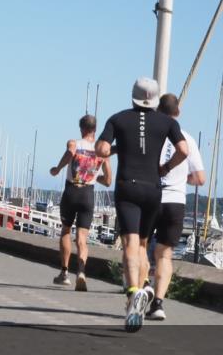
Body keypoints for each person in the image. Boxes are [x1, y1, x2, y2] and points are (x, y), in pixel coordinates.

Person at [95, 77, 188, 332]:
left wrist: (116, 149)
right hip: (153, 189)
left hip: (128, 187)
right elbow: (184, 150)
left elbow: (101, 150)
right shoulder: (168, 122)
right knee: (144, 245)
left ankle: (134, 291)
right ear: (155, 99)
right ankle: (145, 285)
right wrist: (166, 167)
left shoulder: (118, 119)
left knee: (130, 244)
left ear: (132, 95)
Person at [148, 94, 206, 321]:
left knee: (140, 246)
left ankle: (140, 287)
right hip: (175, 202)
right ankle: (158, 304)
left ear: (158, 111)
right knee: (165, 255)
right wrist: (184, 179)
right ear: (178, 113)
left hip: (150, 198)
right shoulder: (188, 139)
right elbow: (200, 178)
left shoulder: (151, 136)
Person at [49, 114, 112, 291]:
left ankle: (64, 272)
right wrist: (95, 177)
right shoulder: (103, 152)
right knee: (82, 239)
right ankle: (82, 272)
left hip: (71, 191)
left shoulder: (74, 143)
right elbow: (108, 181)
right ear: (95, 129)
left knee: (66, 230)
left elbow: (70, 153)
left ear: (81, 128)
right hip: (88, 194)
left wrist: (57, 169)